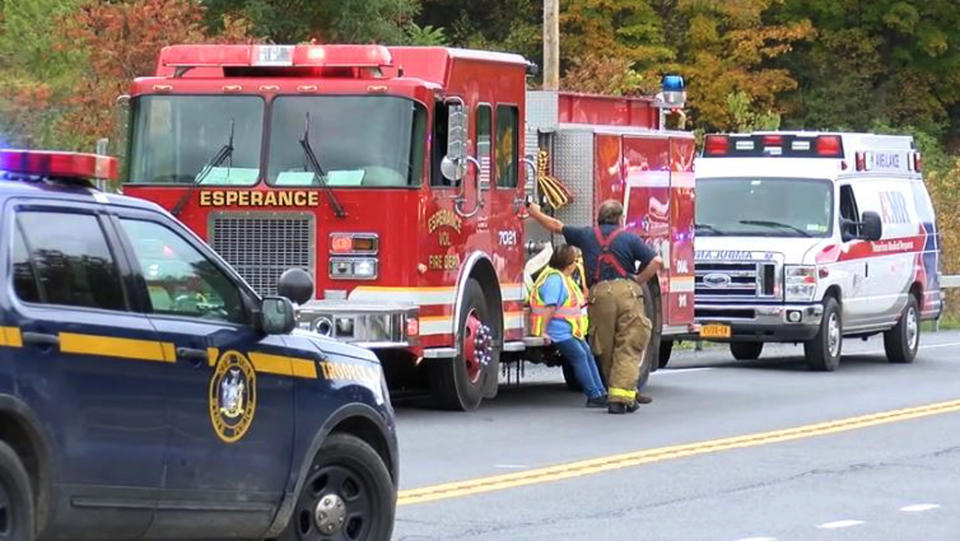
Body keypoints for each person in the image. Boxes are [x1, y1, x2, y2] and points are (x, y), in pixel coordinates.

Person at [527, 199, 662, 414]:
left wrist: (535, 213)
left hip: (599, 297)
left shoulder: (587, 235)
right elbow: (656, 262)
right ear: (620, 219)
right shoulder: (629, 238)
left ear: (599, 219)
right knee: (627, 344)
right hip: (626, 293)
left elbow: (555, 226)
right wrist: (638, 280)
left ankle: (615, 391)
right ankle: (622, 396)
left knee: (604, 347)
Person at [529, 245, 607, 407]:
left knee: (586, 353)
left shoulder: (562, 278)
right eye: (575, 261)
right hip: (557, 332)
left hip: (568, 331)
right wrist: (544, 332)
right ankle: (594, 394)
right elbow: (550, 308)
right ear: (569, 264)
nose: (577, 265)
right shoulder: (554, 280)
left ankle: (600, 392)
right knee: (580, 355)